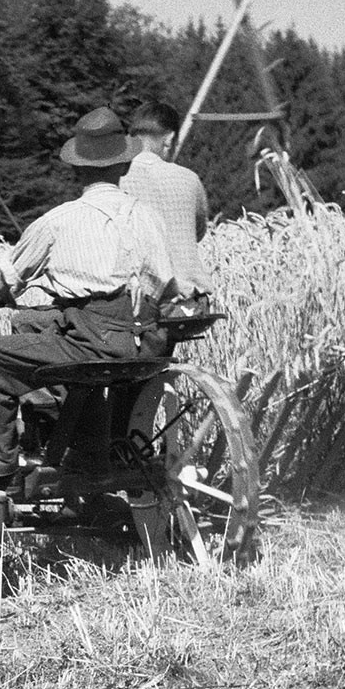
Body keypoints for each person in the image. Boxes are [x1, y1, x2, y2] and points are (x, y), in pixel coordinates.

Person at [0, 108, 191, 494]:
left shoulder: (59, 221)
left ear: (78, 170)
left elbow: (1, 284)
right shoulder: (150, 218)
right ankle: (85, 445)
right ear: (123, 168)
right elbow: (168, 288)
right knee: (36, 324)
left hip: (93, 343)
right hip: (148, 344)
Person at [119, 99, 216, 436]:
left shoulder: (116, 179)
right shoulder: (188, 179)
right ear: (169, 140)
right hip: (185, 306)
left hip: (133, 305)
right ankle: (133, 430)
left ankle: (119, 433)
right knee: (149, 365)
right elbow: (199, 229)